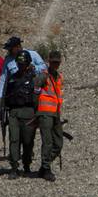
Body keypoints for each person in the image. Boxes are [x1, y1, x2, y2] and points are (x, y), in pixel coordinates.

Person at [2, 50, 42, 177]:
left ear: (28, 63)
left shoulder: (34, 78)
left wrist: (37, 115)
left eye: (23, 63)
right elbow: (6, 95)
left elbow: (38, 97)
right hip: (13, 112)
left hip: (29, 112)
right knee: (14, 139)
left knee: (28, 140)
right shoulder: (12, 78)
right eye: (19, 63)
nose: (21, 66)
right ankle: (14, 166)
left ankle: (27, 165)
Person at [36, 52, 64, 181]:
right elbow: (35, 86)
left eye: (57, 62)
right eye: (53, 62)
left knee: (58, 143)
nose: (55, 64)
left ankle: (44, 166)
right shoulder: (44, 74)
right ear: (49, 61)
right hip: (45, 112)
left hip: (55, 113)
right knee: (47, 142)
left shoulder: (59, 76)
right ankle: (46, 168)